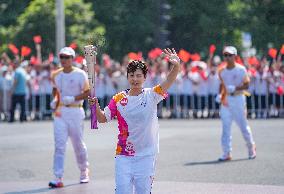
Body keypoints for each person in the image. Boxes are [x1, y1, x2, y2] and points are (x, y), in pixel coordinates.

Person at [89, 48, 180, 194]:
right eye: (131, 75)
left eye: (138, 76)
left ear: (145, 77)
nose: (135, 79)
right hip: (123, 155)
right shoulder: (119, 99)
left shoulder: (152, 95)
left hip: (146, 155)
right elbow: (102, 118)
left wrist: (176, 66)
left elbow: (169, 80)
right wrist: (95, 106)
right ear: (127, 77)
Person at [48, 47, 90, 188]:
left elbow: (88, 92)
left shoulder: (80, 74)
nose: (64, 60)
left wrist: (73, 98)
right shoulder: (56, 74)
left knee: (78, 144)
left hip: (75, 112)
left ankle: (84, 171)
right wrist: (55, 99)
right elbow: (55, 89)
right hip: (60, 113)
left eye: (67, 57)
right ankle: (58, 176)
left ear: (72, 59)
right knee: (59, 145)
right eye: (62, 57)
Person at [218, 46, 256, 161]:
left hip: (239, 99)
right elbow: (222, 86)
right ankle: (227, 152)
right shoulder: (222, 71)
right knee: (225, 127)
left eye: (230, 55)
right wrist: (221, 96)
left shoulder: (241, 69)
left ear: (235, 56)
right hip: (227, 101)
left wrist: (235, 88)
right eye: (225, 55)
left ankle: (251, 147)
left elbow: (247, 84)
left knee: (243, 126)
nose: (228, 57)